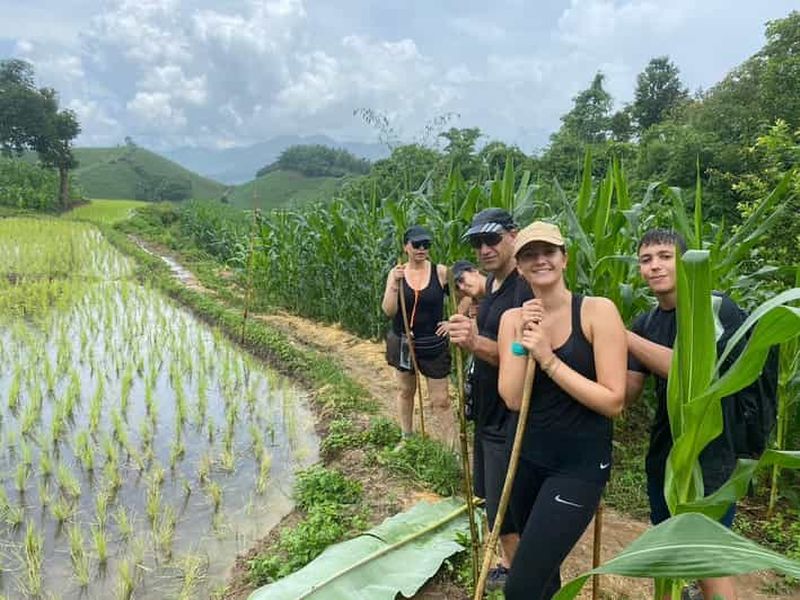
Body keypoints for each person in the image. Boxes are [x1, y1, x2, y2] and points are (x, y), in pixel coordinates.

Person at [496, 221, 627, 600]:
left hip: (578, 467)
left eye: (548, 252)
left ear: (564, 258)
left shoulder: (596, 312)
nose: (540, 261)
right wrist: (525, 340)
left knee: (520, 588)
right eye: (529, 255)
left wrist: (549, 360)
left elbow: (613, 401)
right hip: (524, 459)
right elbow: (513, 398)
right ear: (518, 266)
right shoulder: (513, 320)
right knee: (543, 579)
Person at [626, 229, 741, 600]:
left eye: (664, 256)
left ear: (684, 261)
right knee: (670, 551)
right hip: (666, 453)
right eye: (646, 260)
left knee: (706, 558)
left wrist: (622, 335)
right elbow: (627, 393)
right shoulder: (646, 324)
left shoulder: (715, 309)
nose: (654, 266)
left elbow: (692, 371)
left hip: (711, 450)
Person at [438, 208, 531, 587]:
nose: (485, 249)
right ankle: (511, 565)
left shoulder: (524, 289)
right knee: (493, 500)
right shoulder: (492, 287)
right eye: (478, 242)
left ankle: (522, 574)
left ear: (514, 236)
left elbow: (520, 355)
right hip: (487, 410)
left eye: (492, 239)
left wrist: (476, 342)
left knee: (506, 502)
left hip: (510, 415)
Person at [382, 225, 455, 446]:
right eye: (417, 244)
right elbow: (389, 310)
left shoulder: (441, 272)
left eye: (426, 244)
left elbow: (468, 292)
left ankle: (450, 449)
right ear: (406, 247)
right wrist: (395, 283)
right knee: (406, 391)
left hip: (433, 344)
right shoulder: (397, 274)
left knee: (441, 400)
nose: (422, 248)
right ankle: (407, 437)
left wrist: (454, 321)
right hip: (404, 341)